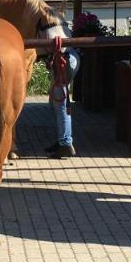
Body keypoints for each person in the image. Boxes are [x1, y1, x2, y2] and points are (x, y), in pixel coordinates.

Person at [42, 12, 80, 158]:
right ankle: (62, 139)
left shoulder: (48, 22)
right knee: (60, 105)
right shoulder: (59, 21)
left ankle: (65, 143)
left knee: (62, 104)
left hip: (64, 60)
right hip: (68, 58)